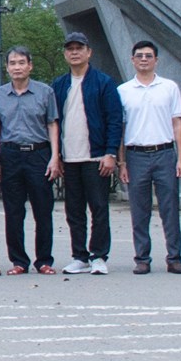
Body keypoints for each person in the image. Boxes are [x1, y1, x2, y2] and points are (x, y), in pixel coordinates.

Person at [51, 31, 124, 275]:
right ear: (65, 54)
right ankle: (79, 256)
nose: (74, 52)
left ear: (88, 52)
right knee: (74, 209)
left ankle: (99, 256)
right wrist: (57, 156)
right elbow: (53, 122)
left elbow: (115, 120)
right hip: (69, 158)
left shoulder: (103, 82)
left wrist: (110, 153)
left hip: (96, 156)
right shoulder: (59, 85)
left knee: (99, 208)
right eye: (70, 48)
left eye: (79, 48)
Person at [116, 40, 181, 274]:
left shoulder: (169, 87)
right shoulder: (123, 91)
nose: (144, 59)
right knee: (139, 210)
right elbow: (121, 130)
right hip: (136, 156)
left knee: (170, 208)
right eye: (139, 56)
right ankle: (142, 258)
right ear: (132, 60)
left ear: (156, 60)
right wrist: (122, 162)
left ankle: (174, 257)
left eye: (148, 56)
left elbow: (178, 123)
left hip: (165, 153)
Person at [0, 46, 60, 275]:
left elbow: (52, 124)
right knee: (13, 210)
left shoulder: (45, 92)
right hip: (10, 154)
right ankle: (18, 261)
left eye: (22, 62)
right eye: (13, 63)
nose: (17, 67)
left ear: (30, 65)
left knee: (43, 209)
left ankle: (44, 260)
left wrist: (54, 157)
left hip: (39, 153)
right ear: (7, 67)